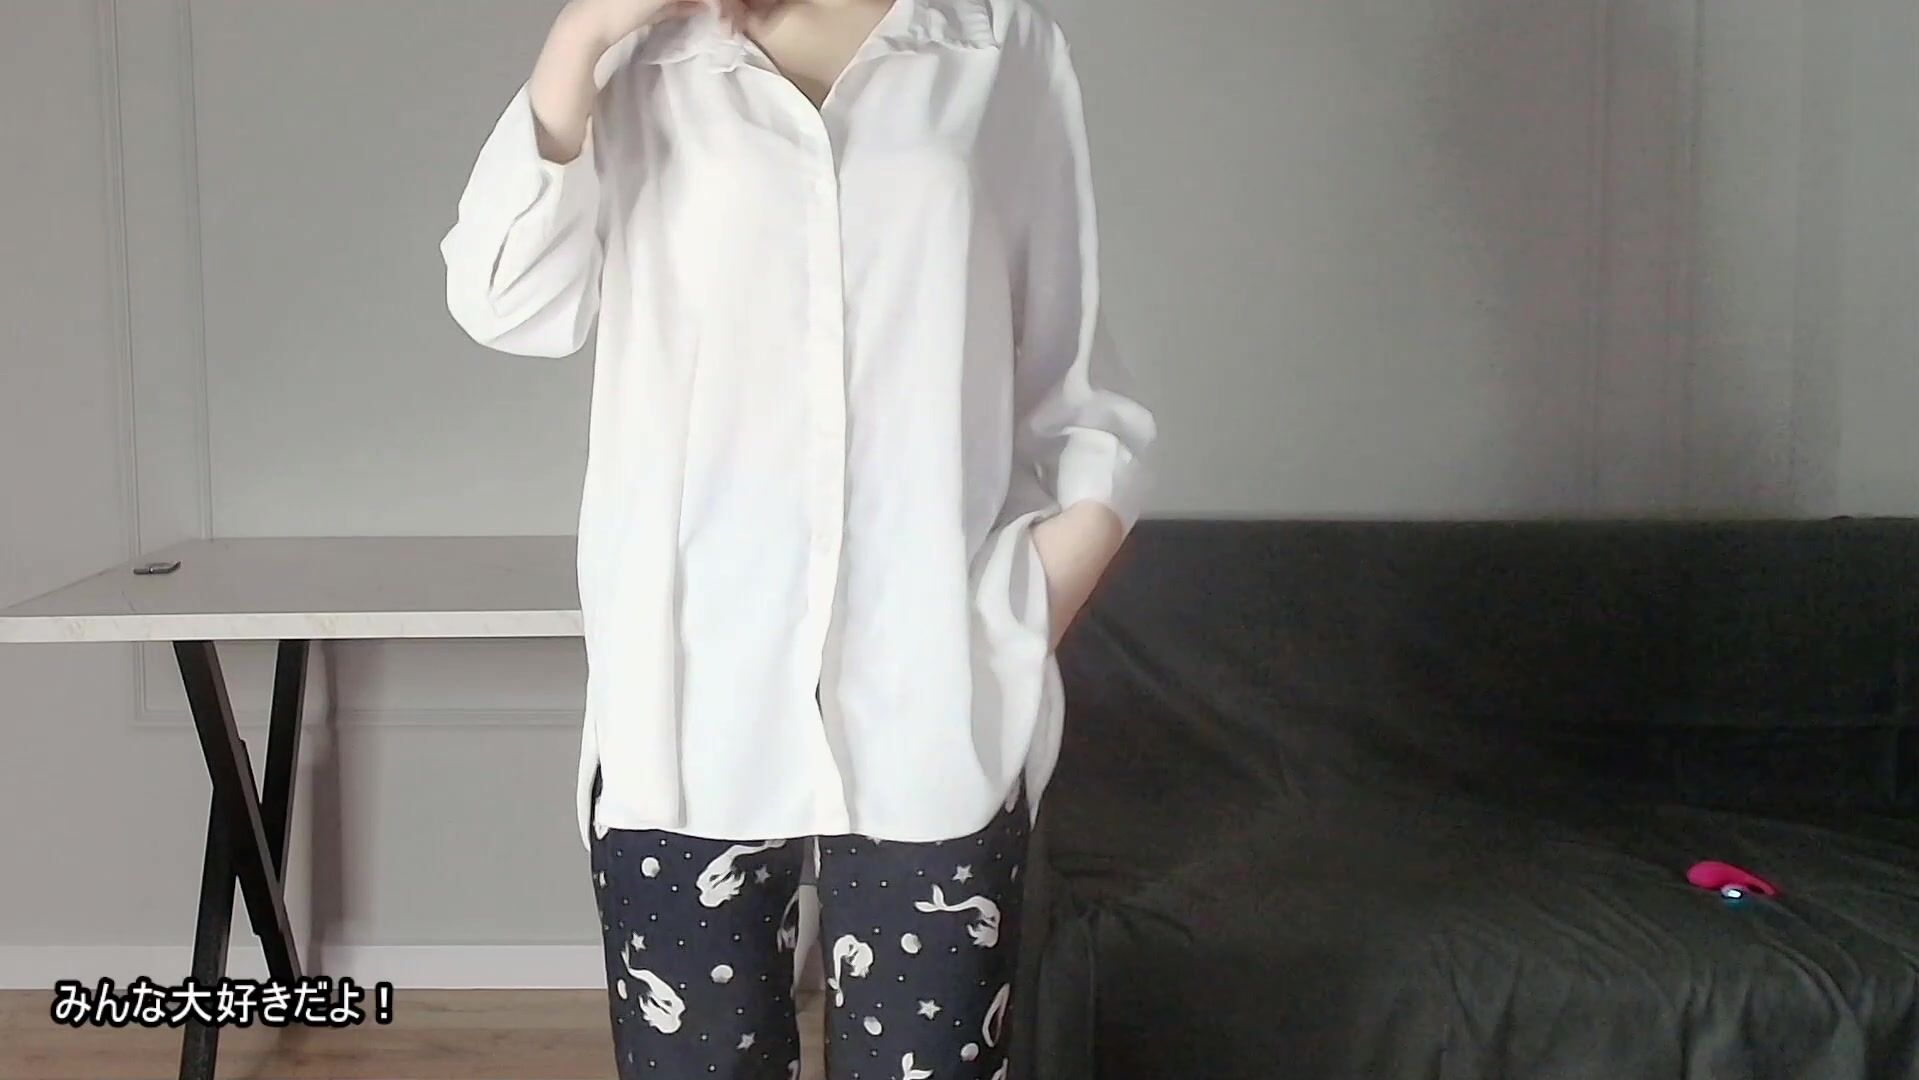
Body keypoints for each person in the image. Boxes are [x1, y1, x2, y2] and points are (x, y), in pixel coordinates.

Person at [439, 0, 1156, 1074]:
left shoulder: (995, 41)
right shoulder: (640, 55)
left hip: (931, 697)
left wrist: (1018, 611)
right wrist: (581, 34)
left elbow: (1073, 375)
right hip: (686, 699)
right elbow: (504, 301)